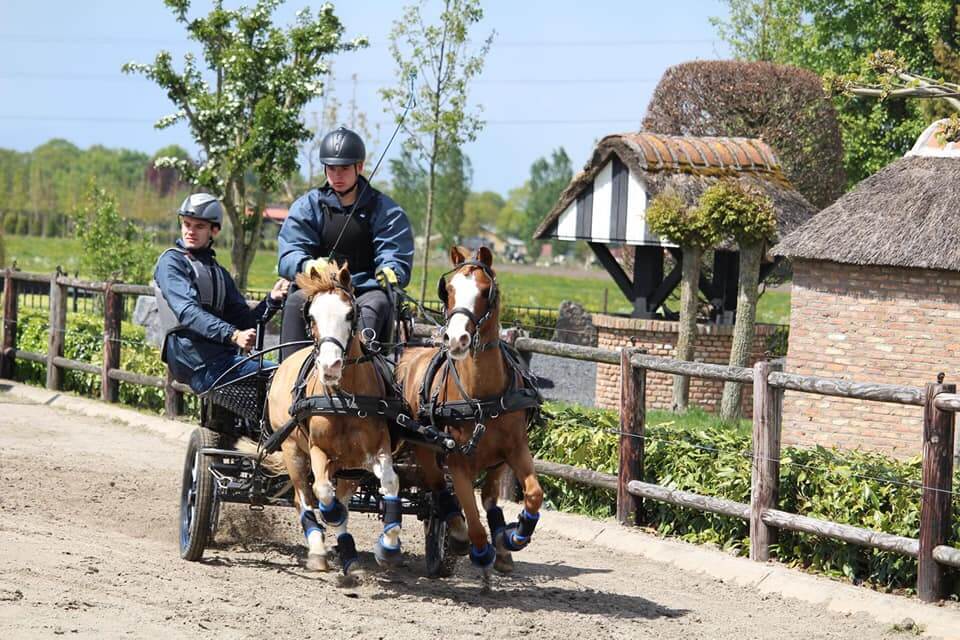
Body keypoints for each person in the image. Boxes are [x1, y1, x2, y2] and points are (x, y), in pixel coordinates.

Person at [277, 126, 414, 359]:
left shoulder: (386, 210)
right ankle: (287, 373)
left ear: (360, 167)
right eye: (331, 168)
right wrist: (306, 265)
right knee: (294, 304)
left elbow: (393, 251)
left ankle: (367, 372)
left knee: (378, 304)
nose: (337, 175)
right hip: (319, 288)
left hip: (365, 290)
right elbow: (290, 251)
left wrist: (392, 270)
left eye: (344, 168)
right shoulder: (307, 206)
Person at [154, 193, 289, 393]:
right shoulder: (172, 262)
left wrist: (272, 300)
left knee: (286, 377)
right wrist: (233, 335)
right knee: (281, 377)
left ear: (214, 230)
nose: (190, 231)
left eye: (199, 226)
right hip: (196, 361)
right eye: (187, 224)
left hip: (223, 360)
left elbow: (245, 321)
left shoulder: (219, 273)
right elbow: (188, 312)